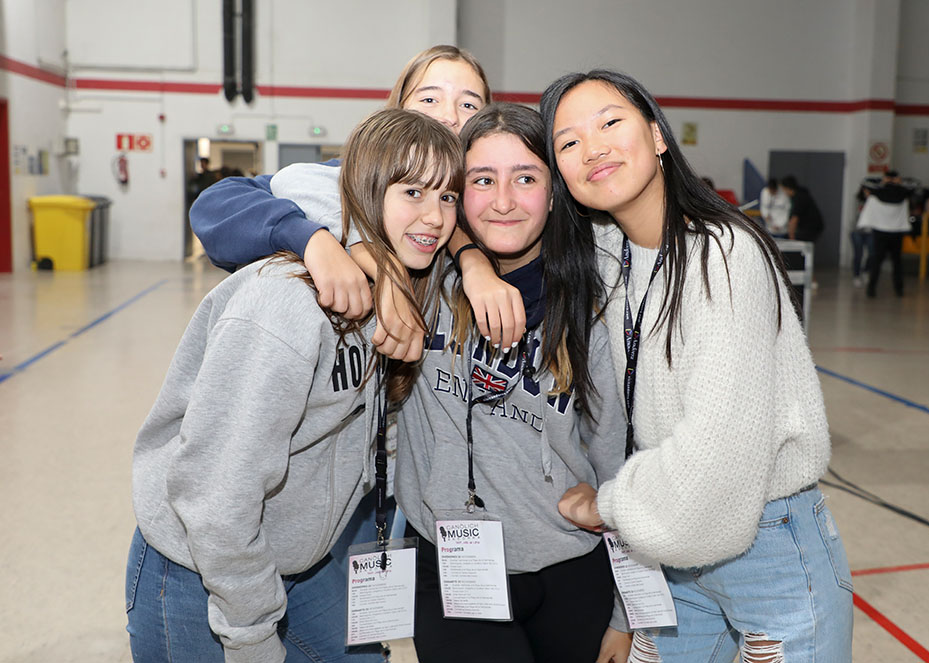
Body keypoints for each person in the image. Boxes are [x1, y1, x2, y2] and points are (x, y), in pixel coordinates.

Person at [461, 70, 849, 662]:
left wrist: (605, 505)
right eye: (569, 142)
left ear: (658, 135)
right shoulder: (605, 252)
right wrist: (471, 263)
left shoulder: (723, 256)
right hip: (666, 547)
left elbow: (717, 452)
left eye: (610, 123)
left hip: (765, 544)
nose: (593, 148)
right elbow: (463, 214)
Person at [268, 102, 630, 663]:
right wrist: (355, 253)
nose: (504, 201)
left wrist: (627, 613)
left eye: (526, 179)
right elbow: (290, 185)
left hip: (571, 566)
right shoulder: (420, 275)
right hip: (449, 569)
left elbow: (614, 455)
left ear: (556, 193)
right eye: (482, 180)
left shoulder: (590, 303)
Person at [126, 109, 463, 663]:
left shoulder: (401, 287)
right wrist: (251, 635)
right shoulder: (285, 306)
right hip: (201, 573)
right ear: (365, 190)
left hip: (301, 562)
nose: (435, 216)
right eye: (413, 192)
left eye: (448, 197)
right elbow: (217, 497)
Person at [190, 44, 491, 361]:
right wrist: (315, 240)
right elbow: (217, 204)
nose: (449, 117)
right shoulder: (348, 179)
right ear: (398, 108)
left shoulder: (491, 202)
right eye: (429, 99)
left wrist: (474, 261)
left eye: (469, 105)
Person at [857, 170, 911, 298]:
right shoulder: (903, 195)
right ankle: (899, 289)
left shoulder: (876, 195)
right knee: (897, 262)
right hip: (897, 231)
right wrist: (899, 182)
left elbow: (865, 183)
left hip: (880, 232)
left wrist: (883, 182)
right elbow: (914, 186)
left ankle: (871, 289)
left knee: (877, 261)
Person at [780, 175, 824, 243]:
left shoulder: (799, 197)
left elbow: (794, 219)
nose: (784, 193)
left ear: (788, 188)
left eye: (784, 190)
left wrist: (791, 238)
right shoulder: (800, 194)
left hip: (810, 227)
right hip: (810, 227)